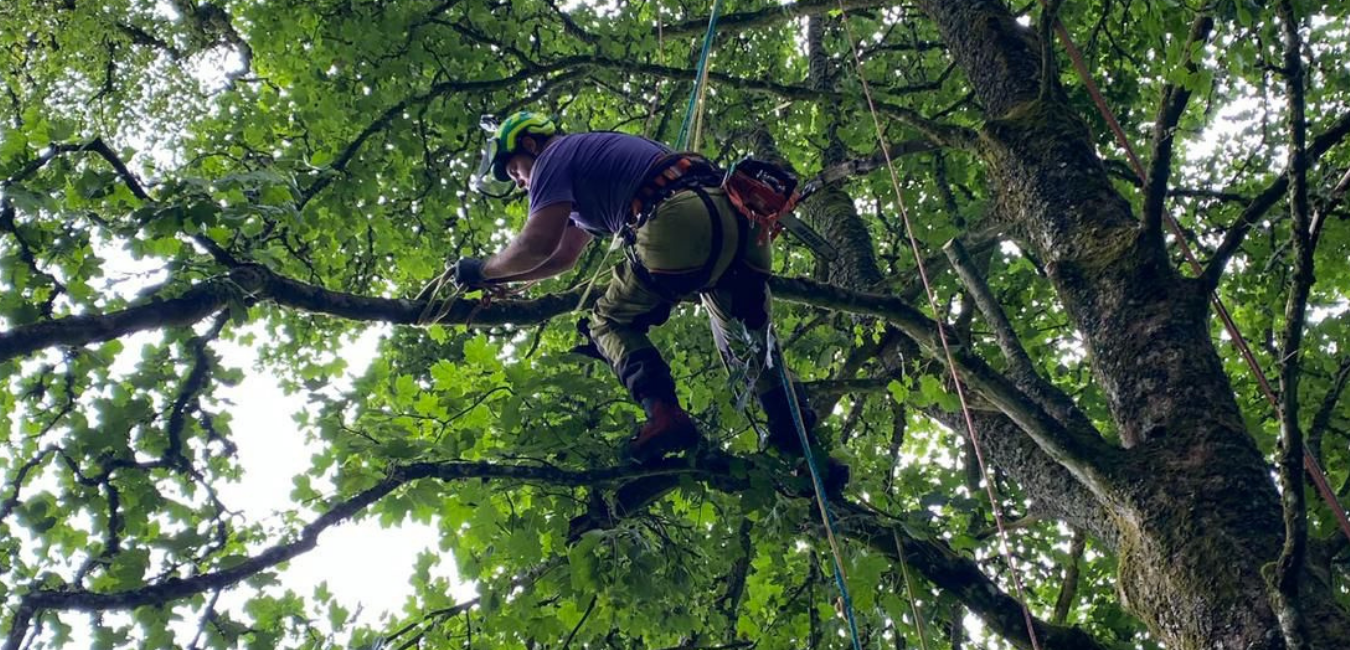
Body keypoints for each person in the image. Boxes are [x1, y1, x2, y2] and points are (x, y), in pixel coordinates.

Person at [451, 111, 846, 490]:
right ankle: (802, 450)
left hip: (677, 219)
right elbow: (562, 257)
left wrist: (481, 269)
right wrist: (504, 276)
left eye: (516, 170)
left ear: (532, 144)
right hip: (739, 224)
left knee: (606, 323)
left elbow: (536, 243)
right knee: (750, 347)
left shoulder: (553, 158)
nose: (520, 183)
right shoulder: (596, 155)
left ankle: (665, 416)